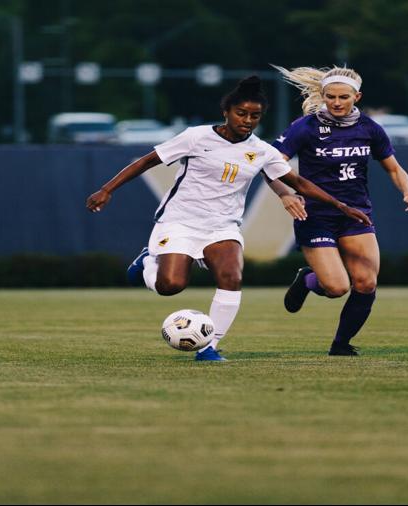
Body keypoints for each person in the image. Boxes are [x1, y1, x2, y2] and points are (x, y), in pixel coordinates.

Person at [85, 76, 369, 362]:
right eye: (241, 113)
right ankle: (148, 262)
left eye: (254, 116)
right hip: (180, 221)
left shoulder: (261, 151)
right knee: (170, 286)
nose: (247, 120)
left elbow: (298, 182)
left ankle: (209, 347)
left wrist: (340, 205)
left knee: (232, 277)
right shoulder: (196, 137)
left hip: (222, 226)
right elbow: (147, 161)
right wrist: (107, 189)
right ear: (227, 112)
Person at [270, 65, 408, 357]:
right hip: (314, 216)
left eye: (343, 97)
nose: (337, 103)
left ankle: (340, 345)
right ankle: (307, 279)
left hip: (356, 215)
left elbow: (393, 168)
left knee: (366, 283)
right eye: (331, 97)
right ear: (323, 96)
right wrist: (284, 194)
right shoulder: (305, 127)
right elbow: (272, 163)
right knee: (337, 288)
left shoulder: (369, 128)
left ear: (357, 97)